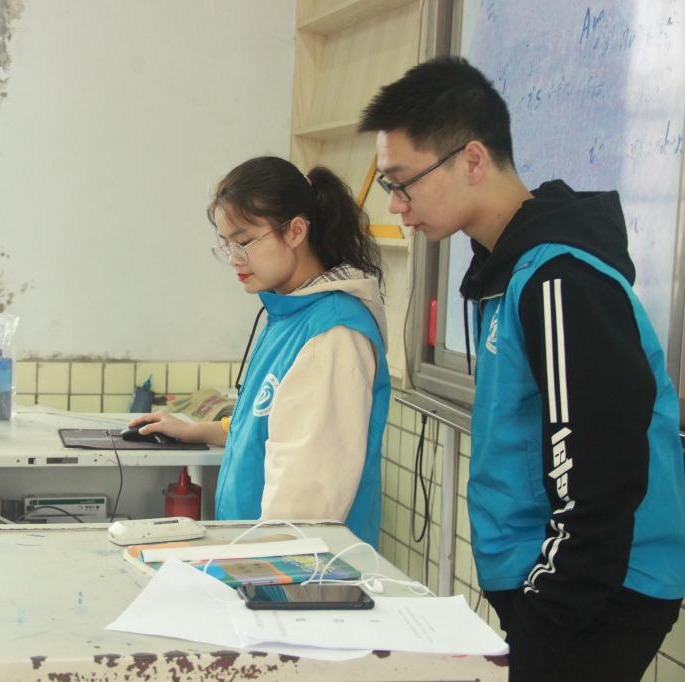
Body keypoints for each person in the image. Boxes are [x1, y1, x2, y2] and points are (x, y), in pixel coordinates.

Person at [359, 56, 685, 681]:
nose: (396, 205)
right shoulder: (505, 273)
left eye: (403, 183)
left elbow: (599, 479)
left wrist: (545, 615)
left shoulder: (560, 280)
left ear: (472, 160)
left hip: (597, 594)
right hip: (561, 587)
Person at [129, 156, 391, 546]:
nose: (234, 259)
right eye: (226, 244)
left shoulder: (332, 333)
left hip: (293, 565)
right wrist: (194, 431)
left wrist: (255, 567)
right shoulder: (290, 313)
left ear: (296, 231)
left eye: (244, 242)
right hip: (258, 555)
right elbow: (269, 424)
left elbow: (305, 507)